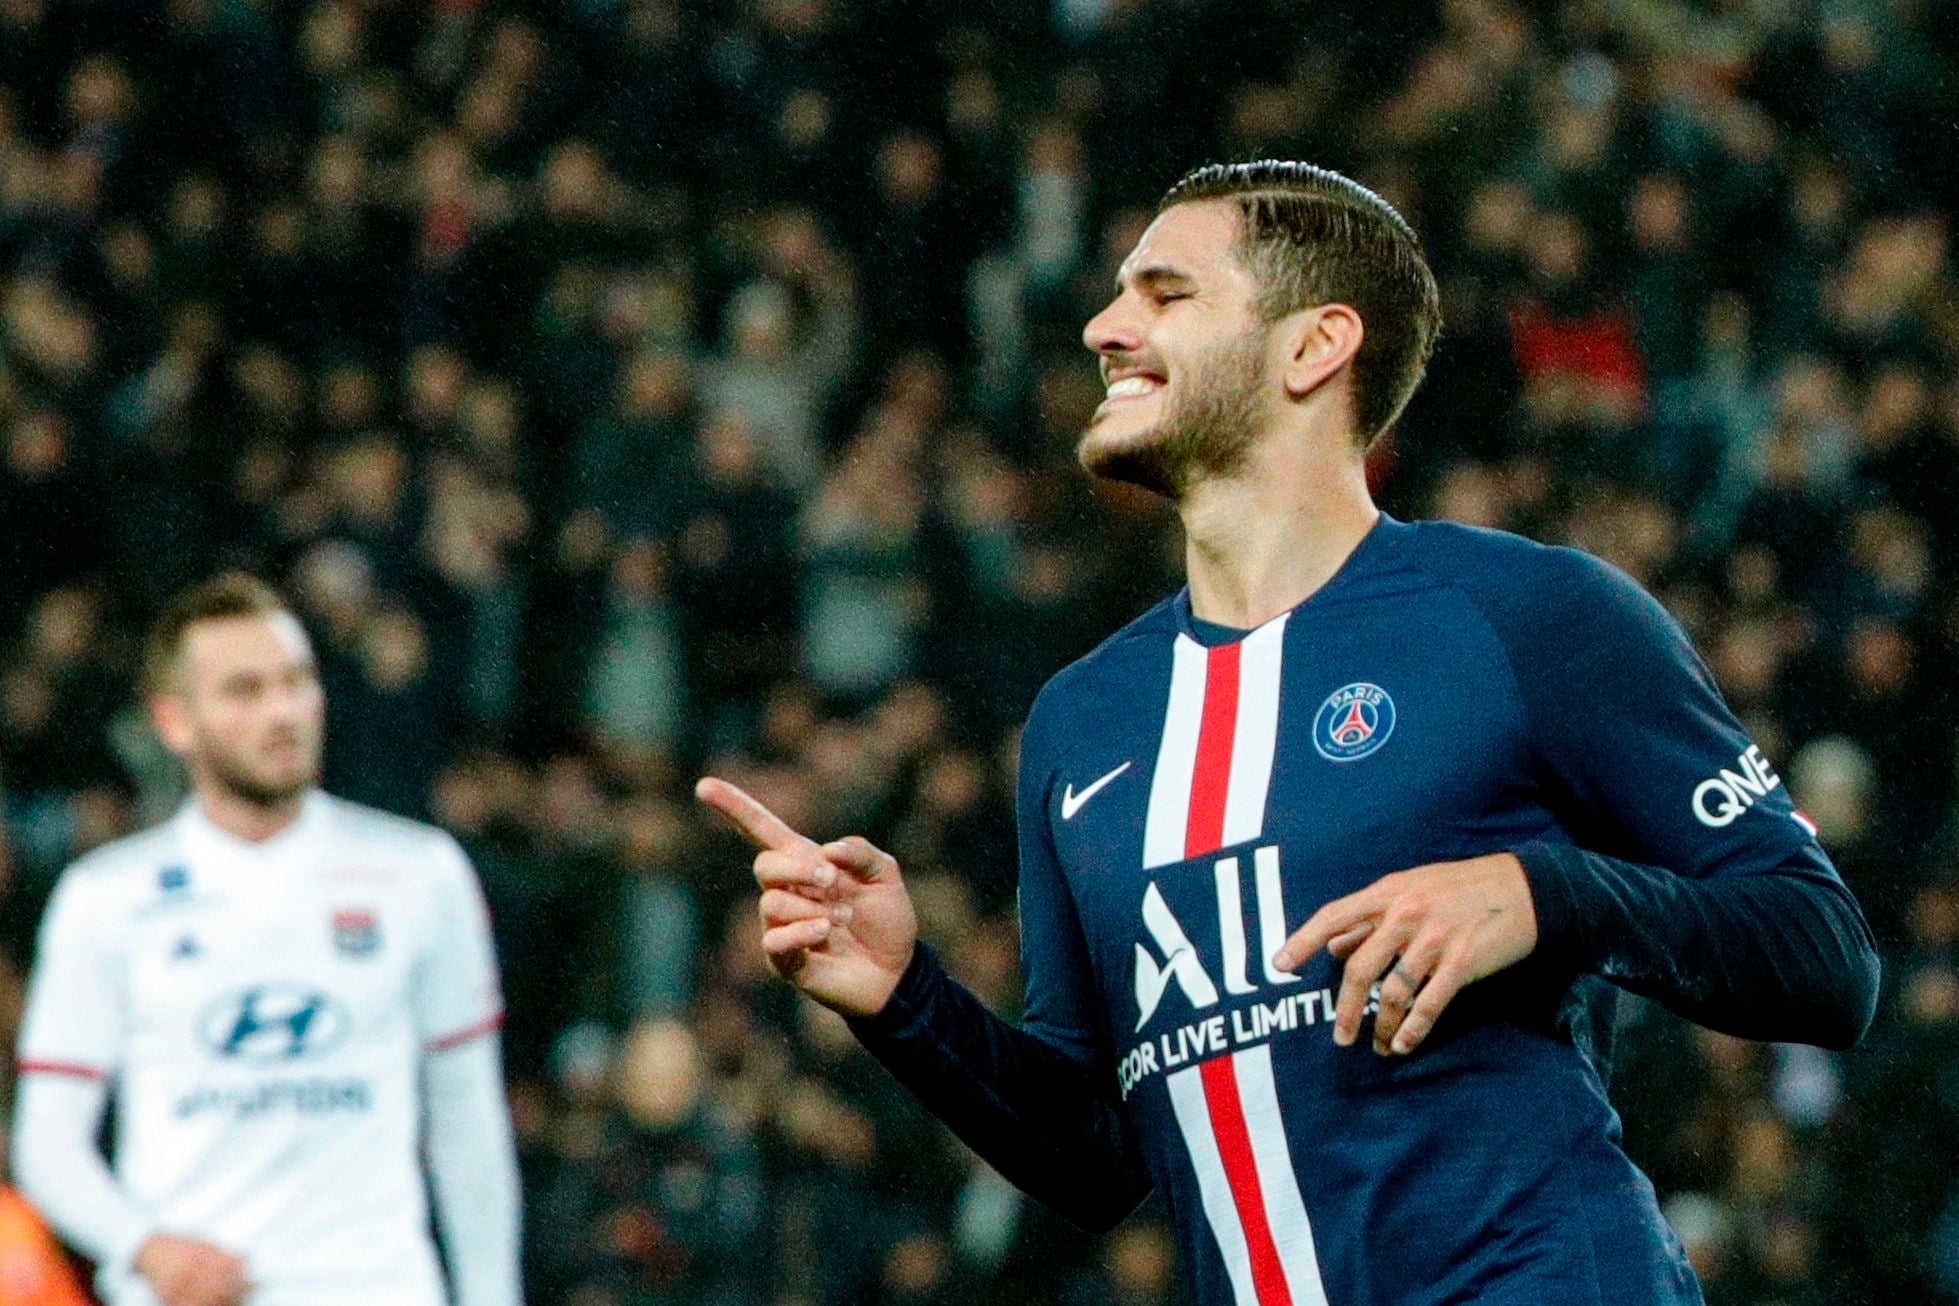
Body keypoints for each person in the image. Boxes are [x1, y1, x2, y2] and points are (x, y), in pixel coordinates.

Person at [697, 161, 1880, 1306]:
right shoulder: (1082, 720)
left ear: (1315, 345)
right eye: (1118, 294)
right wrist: (907, 999)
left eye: (1166, 294)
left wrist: (1548, 892)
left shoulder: (1529, 615)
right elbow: (1102, 1156)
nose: (1106, 327)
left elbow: (1828, 958)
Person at [12, 574, 521, 1306]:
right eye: (245, 691)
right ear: (173, 722)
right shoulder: (107, 898)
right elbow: (47, 1144)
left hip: (376, 1286)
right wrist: (144, 1249)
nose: (283, 712)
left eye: (296, 682)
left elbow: (467, 1121)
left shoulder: (419, 873)